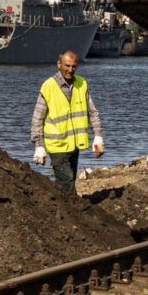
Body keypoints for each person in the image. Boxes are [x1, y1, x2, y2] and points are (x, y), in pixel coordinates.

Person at [30, 49, 103, 192]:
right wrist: (38, 146)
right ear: (59, 64)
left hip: (75, 144)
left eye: (74, 66)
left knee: (68, 180)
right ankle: (74, 211)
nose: (70, 70)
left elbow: (92, 112)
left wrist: (98, 136)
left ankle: (62, 208)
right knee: (67, 181)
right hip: (56, 145)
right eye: (67, 65)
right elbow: (37, 119)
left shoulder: (81, 84)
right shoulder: (48, 87)